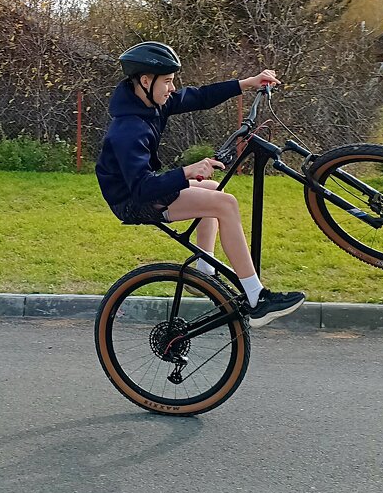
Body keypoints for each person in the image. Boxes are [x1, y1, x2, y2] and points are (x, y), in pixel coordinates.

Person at [96, 41, 306, 327]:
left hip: (143, 190)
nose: (172, 88)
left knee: (214, 192)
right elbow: (142, 188)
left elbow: (199, 97)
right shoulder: (128, 129)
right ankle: (257, 299)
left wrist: (248, 83)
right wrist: (186, 172)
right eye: (168, 81)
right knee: (225, 204)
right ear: (145, 81)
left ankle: (204, 272)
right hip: (133, 201)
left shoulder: (150, 105)